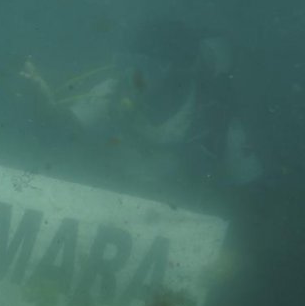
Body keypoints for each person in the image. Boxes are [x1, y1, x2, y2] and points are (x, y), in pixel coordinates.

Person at [20, 19, 263, 199]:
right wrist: (42, 103)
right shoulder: (114, 91)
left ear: (181, 72)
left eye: (149, 67)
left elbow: (252, 196)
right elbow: (61, 132)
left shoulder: (217, 122)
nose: (134, 76)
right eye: (130, 64)